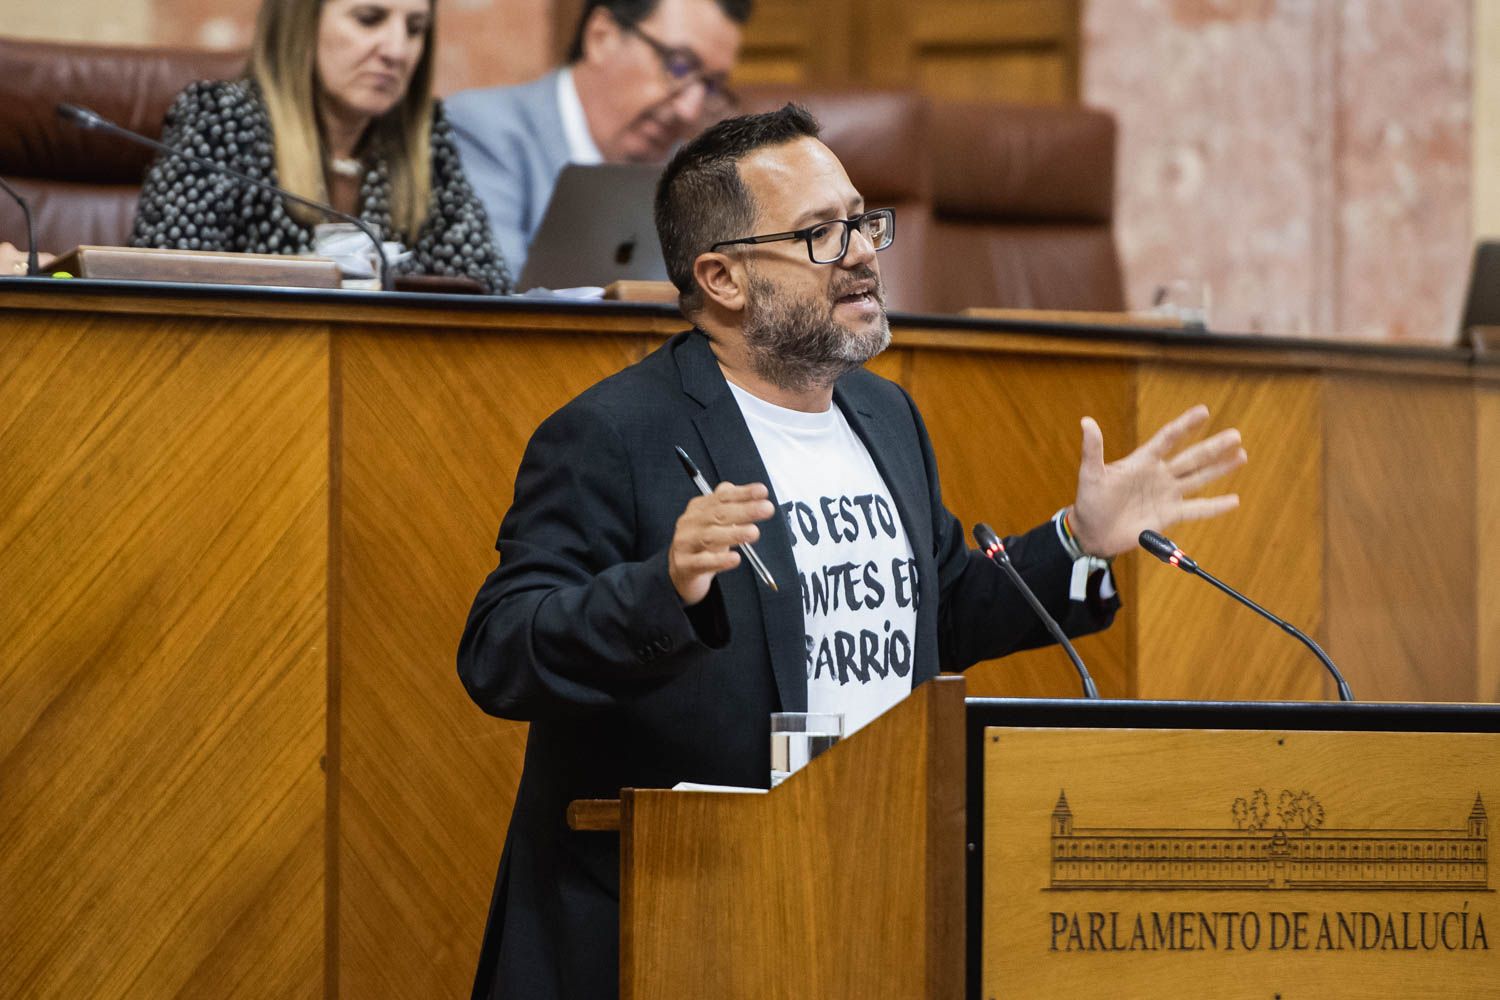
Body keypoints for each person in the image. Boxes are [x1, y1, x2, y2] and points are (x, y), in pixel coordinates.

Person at [456, 105, 1248, 999]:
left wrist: (1077, 542)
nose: (866, 251)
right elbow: (500, 651)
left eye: (863, 221)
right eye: (822, 234)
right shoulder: (612, 434)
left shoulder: (883, 416)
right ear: (722, 276)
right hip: (675, 918)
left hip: (862, 893)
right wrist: (663, 589)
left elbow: (938, 605)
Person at [131, 0, 511, 294]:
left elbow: (487, 289)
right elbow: (164, 286)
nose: (397, 50)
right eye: (369, 19)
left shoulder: (424, 136)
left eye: (415, 29)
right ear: (303, 22)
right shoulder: (219, 119)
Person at [446, 0, 750, 277]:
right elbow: (493, 300)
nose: (690, 110)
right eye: (679, 66)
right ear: (601, 36)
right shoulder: (482, 131)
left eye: (711, 86)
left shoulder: (688, 173)